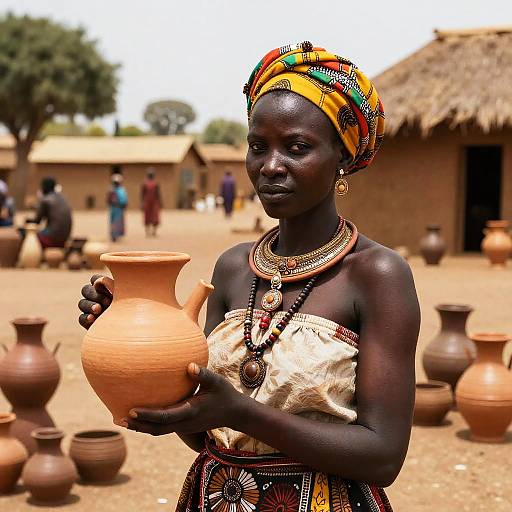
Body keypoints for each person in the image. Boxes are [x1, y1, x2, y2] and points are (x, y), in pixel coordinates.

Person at [78, 42, 420, 511]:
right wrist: (132, 342)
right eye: (258, 147)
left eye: (296, 147)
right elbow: (204, 432)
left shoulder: (377, 275)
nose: (271, 166)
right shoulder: (235, 268)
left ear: (342, 157)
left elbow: (383, 455)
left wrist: (241, 411)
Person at [32, 177, 72, 248]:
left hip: (51, 239)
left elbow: (37, 221)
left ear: (43, 188)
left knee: (29, 236)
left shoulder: (45, 200)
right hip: (64, 239)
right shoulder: (63, 197)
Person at [141, 168, 162, 237]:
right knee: (148, 217)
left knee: (154, 217)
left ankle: (153, 232)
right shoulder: (145, 184)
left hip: (153, 202)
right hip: (148, 202)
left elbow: (158, 194)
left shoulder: (155, 184)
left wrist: (160, 202)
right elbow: (142, 194)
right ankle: (148, 232)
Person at [107, 173, 128, 242]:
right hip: (116, 208)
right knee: (115, 221)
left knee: (116, 221)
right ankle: (114, 235)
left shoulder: (119, 190)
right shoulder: (114, 190)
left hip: (117, 208)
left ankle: (115, 235)